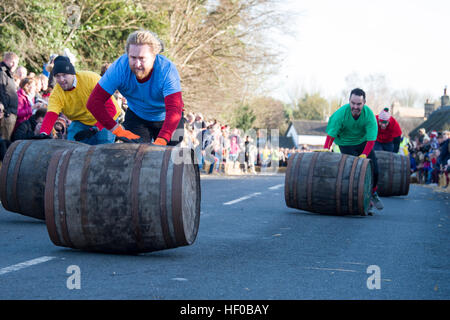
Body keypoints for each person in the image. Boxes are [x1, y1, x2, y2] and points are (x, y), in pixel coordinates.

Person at [86, 30, 184, 146]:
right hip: (138, 116)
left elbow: (174, 109)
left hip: (167, 117)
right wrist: (118, 130)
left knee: (169, 154)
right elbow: (94, 102)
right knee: (134, 154)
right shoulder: (119, 68)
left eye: (142, 58)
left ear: (154, 57)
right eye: (133, 58)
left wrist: (161, 141)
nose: (137, 64)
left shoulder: (167, 70)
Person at [323, 88, 383, 215]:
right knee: (353, 173)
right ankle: (360, 201)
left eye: (359, 104)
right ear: (349, 101)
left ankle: (372, 192)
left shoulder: (369, 115)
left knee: (375, 170)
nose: (355, 107)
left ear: (364, 103)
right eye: (353, 103)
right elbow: (331, 135)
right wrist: (325, 150)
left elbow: (371, 139)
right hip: (345, 143)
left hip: (362, 142)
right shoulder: (341, 114)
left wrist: (364, 155)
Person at [38, 56, 121, 144]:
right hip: (82, 121)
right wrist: (44, 133)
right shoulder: (56, 94)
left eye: (64, 75)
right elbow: (51, 115)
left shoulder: (91, 79)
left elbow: (111, 109)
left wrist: (95, 129)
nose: (61, 80)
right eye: (58, 76)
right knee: (71, 144)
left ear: (72, 73)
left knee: (104, 145)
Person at [0, 52, 20, 141]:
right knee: (4, 141)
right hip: (7, 113)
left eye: (15, 63)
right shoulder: (2, 72)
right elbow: (1, 91)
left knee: (6, 139)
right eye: (12, 62)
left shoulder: (8, 73)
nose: (14, 65)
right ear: (5, 60)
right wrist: (6, 110)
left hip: (11, 111)